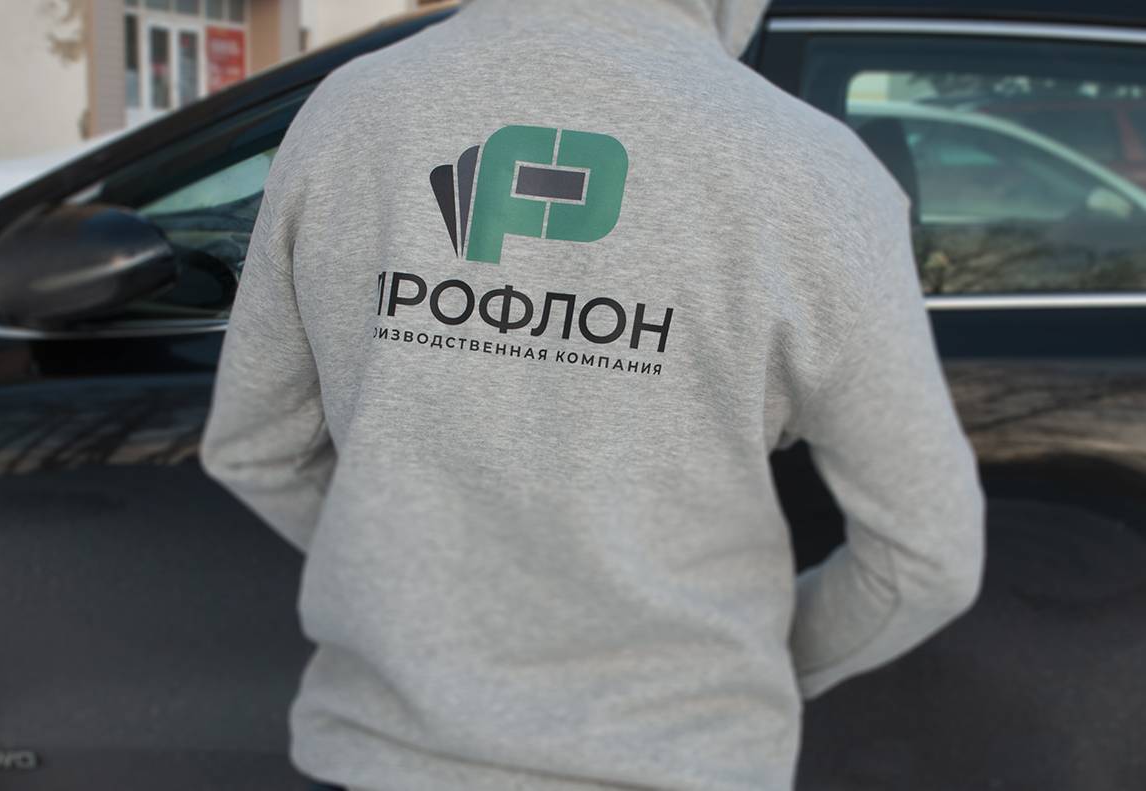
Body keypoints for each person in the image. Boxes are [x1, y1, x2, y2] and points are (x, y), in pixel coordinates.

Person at [198, 0, 987, 789]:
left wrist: (418, 591)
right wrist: (749, 663)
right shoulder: (818, 174)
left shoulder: (350, 111)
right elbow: (928, 556)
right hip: (679, 754)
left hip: (386, 754)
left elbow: (255, 448)